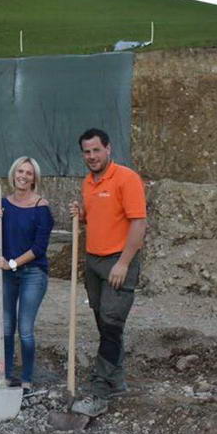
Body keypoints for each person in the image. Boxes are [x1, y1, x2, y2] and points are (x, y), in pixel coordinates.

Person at [69, 128, 147, 417]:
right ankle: (117, 381)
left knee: (112, 325)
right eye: (87, 152)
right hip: (94, 261)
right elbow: (96, 217)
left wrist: (123, 263)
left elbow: (138, 224)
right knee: (105, 325)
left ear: (108, 149)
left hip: (118, 261)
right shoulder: (88, 182)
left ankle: (99, 392)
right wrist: (81, 215)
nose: (91, 156)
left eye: (96, 150)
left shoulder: (127, 178)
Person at [0, 156, 53, 396]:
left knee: (25, 329)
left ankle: (26, 379)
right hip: (6, 273)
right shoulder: (4, 204)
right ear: (13, 174)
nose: (23, 176)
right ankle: (6, 376)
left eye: (28, 173)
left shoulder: (41, 208)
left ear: (34, 178)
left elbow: (39, 248)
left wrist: (12, 264)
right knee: (6, 327)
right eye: (20, 171)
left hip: (33, 274)